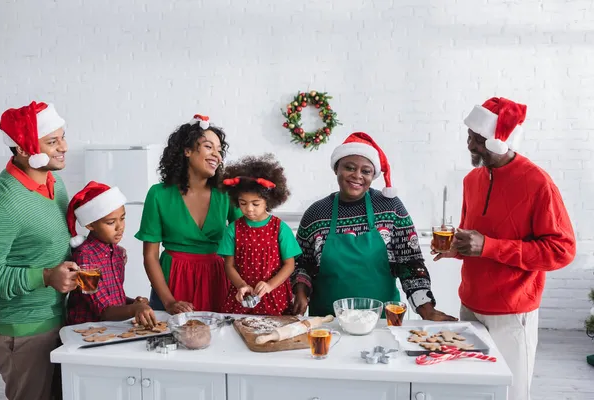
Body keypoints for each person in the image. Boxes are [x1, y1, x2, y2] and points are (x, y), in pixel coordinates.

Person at [432, 97, 576, 400]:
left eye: (478, 137)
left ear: (500, 139)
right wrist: (455, 249)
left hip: (511, 314)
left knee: (509, 394)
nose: (470, 143)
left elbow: (561, 250)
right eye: (469, 135)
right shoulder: (472, 180)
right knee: (472, 392)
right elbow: (474, 241)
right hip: (469, 307)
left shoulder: (538, 183)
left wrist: (489, 246)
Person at [292, 131, 455, 321]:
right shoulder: (316, 213)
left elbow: (409, 262)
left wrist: (425, 308)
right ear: (336, 168)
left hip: (382, 320)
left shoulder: (390, 207)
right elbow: (300, 264)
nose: (357, 176)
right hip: (327, 321)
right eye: (349, 168)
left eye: (366, 171)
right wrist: (300, 291)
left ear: (373, 175)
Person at [0, 101, 79, 400]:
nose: (64, 147)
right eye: (52, 141)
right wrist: (45, 276)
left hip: (59, 320)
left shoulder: (56, 185)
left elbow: (55, 248)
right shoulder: (3, 202)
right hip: (23, 330)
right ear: (23, 149)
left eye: (62, 137)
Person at [135, 114, 241, 314]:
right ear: (187, 150)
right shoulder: (159, 194)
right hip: (171, 282)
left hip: (216, 281)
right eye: (209, 147)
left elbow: (247, 234)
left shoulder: (226, 193)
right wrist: (168, 302)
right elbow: (150, 255)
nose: (217, 156)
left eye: (219, 150)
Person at [218, 154, 301, 315]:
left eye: (256, 204)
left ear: (268, 202)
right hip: (242, 298)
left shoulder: (280, 228)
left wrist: (270, 285)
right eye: (243, 203)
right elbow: (228, 265)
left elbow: (289, 265)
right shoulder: (233, 229)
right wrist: (241, 285)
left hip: (275, 297)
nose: (249, 209)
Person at [66, 181, 157, 327]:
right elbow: (103, 311)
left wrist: (134, 303)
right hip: (86, 331)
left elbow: (115, 300)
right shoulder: (84, 258)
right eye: (110, 222)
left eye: (122, 218)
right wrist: (133, 309)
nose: (119, 227)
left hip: (110, 329)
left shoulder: (117, 253)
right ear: (90, 225)